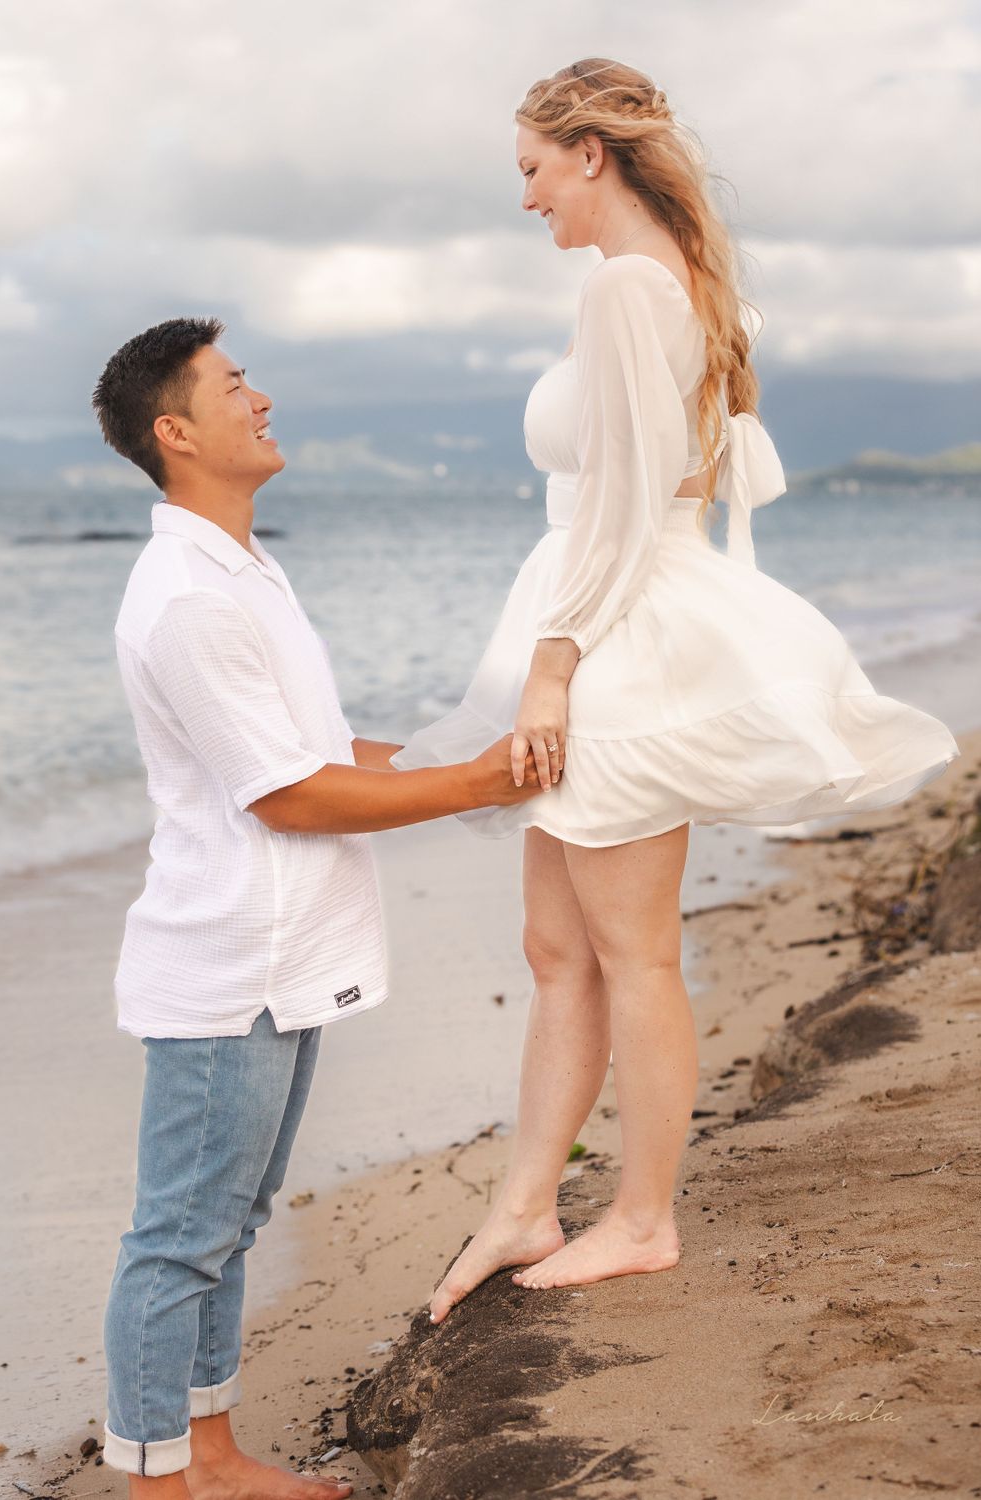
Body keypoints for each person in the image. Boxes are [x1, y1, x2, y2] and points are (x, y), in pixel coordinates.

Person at [391, 58, 961, 1323]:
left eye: (533, 171)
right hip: (608, 615)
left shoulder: (629, 292)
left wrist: (550, 672)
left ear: (589, 154)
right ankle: (527, 1202)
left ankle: (642, 1217)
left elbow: (631, 503)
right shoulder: (672, 286)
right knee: (556, 949)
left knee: (632, 954)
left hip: (613, 640)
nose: (526, 199)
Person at [90, 317, 540, 1497]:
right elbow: (289, 796)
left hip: (283, 957)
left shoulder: (247, 571)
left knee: (228, 1228)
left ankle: (213, 1452)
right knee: (179, 1239)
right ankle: (154, 1479)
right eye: (235, 386)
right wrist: (475, 785)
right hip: (227, 964)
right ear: (175, 432)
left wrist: (468, 759)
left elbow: (326, 749)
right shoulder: (186, 598)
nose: (263, 399)